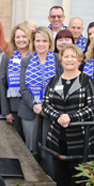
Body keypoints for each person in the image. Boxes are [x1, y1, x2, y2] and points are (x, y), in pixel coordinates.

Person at [37, 44, 94, 186]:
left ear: (79, 59)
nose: (70, 60)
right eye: (66, 56)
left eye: (73, 56)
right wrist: (59, 117)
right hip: (58, 138)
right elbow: (46, 105)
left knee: (78, 177)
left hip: (81, 138)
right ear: (61, 59)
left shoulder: (87, 81)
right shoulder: (53, 81)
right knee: (62, 177)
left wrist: (71, 117)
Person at [19, 26, 61, 155]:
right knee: (31, 151)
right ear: (33, 42)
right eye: (38, 41)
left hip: (52, 110)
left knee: (49, 150)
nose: (41, 44)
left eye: (44, 41)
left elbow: (62, 86)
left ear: (50, 42)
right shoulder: (26, 61)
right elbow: (23, 88)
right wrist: (34, 104)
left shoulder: (58, 59)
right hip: (30, 110)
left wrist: (46, 105)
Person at [0, 24, 33, 138]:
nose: (21, 40)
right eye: (17, 37)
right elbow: (3, 84)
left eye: (24, 36)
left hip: (33, 104)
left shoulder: (35, 57)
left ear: (29, 38)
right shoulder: (7, 57)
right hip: (15, 105)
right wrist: (6, 111)